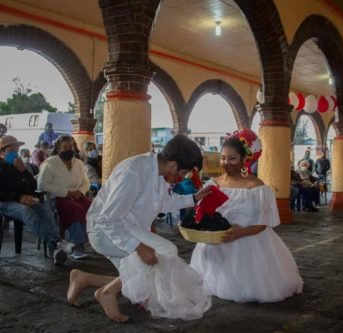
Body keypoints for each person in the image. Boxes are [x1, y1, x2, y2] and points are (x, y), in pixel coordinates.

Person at [65, 135, 212, 322]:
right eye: (183, 173)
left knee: (144, 278)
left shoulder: (159, 171)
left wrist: (193, 198)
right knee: (163, 254)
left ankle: (83, 278)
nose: (181, 178)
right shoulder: (133, 172)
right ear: (173, 165)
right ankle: (107, 293)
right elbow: (107, 219)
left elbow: (163, 202)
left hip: (126, 227)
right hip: (103, 231)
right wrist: (138, 246)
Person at [190, 131, 303, 303]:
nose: (226, 163)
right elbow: (203, 213)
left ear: (244, 160)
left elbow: (264, 223)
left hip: (250, 243)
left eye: (232, 158)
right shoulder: (212, 185)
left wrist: (241, 232)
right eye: (223, 158)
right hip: (217, 243)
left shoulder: (256, 187)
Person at [0, 135, 73, 265]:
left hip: (23, 199)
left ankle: (55, 250)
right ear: (2, 152)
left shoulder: (19, 165)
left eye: (16, 150)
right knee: (25, 211)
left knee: (44, 208)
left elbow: (34, 186)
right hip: (5, 202)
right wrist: (19, 197)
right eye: (11, 151)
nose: (14, 153)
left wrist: (23, 171)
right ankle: (57, 242)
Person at [38, 135, 91, 259]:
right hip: (57, 197)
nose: (68, 149)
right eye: (65, 147)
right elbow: (42, 184)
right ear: (58, 149)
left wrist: (80, 192)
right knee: (73, 208)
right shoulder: (50, 163)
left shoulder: (78, 163)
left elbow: (86, 182)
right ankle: (76, 245)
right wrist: (66, 193)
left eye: (71, 147)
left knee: (90, 206)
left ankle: (85, 241)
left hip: (77, 196)